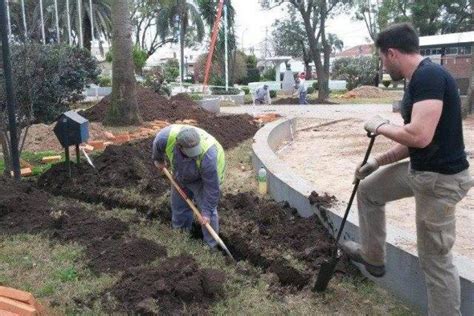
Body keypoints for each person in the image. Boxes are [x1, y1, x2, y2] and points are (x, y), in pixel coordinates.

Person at [344, 23, 473, 315]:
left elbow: (419, 135)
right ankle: (373, 258)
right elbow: (414, 140)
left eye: (382, 59)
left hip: (441, 182)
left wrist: (381, 126)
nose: (382, 64)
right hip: (422, 172)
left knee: (435, 260)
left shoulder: (429, 76)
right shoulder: (417, 79)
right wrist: (377, 161)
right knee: (368, 190)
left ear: (392, 53)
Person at [152, 124, 225, 249]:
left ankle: (211, 246)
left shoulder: (208, 156)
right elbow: (157, 146)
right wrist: (158, 160)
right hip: (181, 173)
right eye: (191, 152)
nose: (194, 154)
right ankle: (182, 235)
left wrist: (206, 213)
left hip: (204, 179)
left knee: (208, 212)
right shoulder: (166, 137)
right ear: (179, 146)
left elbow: (212, 189)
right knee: (179, 206)